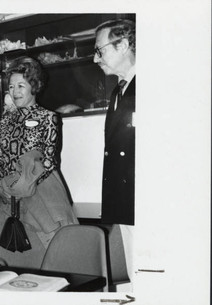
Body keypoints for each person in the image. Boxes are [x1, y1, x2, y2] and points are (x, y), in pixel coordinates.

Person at [0, 56, 78, 269]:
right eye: (11, 86)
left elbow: (48, 160)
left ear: (34, 86)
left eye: (21, 85)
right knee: (6, 263)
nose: (15, 91)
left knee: (54, 259)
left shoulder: (49, 118)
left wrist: (23, 186)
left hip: (40, 191)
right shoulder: (6, 120)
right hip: (8, 195)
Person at [93, 19, 136, 285]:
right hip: (124, 199)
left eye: (100, 50)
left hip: (144, 200)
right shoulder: (120, 91)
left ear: (123, 45)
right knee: (134, 269)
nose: (95, 58)